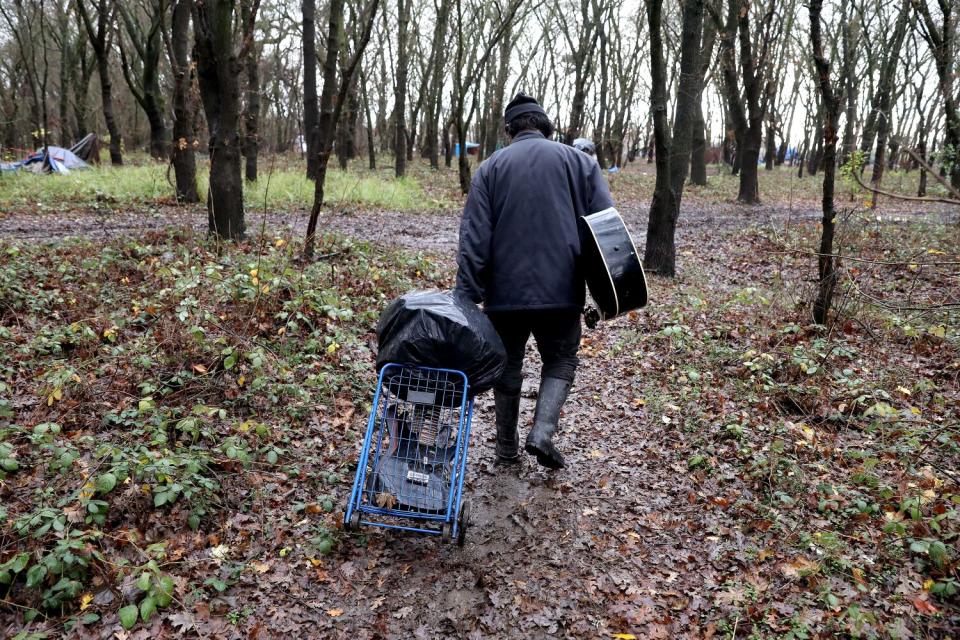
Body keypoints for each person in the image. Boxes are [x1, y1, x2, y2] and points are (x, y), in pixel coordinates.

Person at [455, 93, 614, 469]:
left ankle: (506, 449)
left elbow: (474, 237)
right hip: (562, 291)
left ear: (509, 129)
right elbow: (606, 230)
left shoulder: (490, 169)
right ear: (545, 125)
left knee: (507, 364)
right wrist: (602, 292)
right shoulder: (579, 163)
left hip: (503, 295)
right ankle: (542, 433)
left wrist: (466, 296)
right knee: (560, 359)